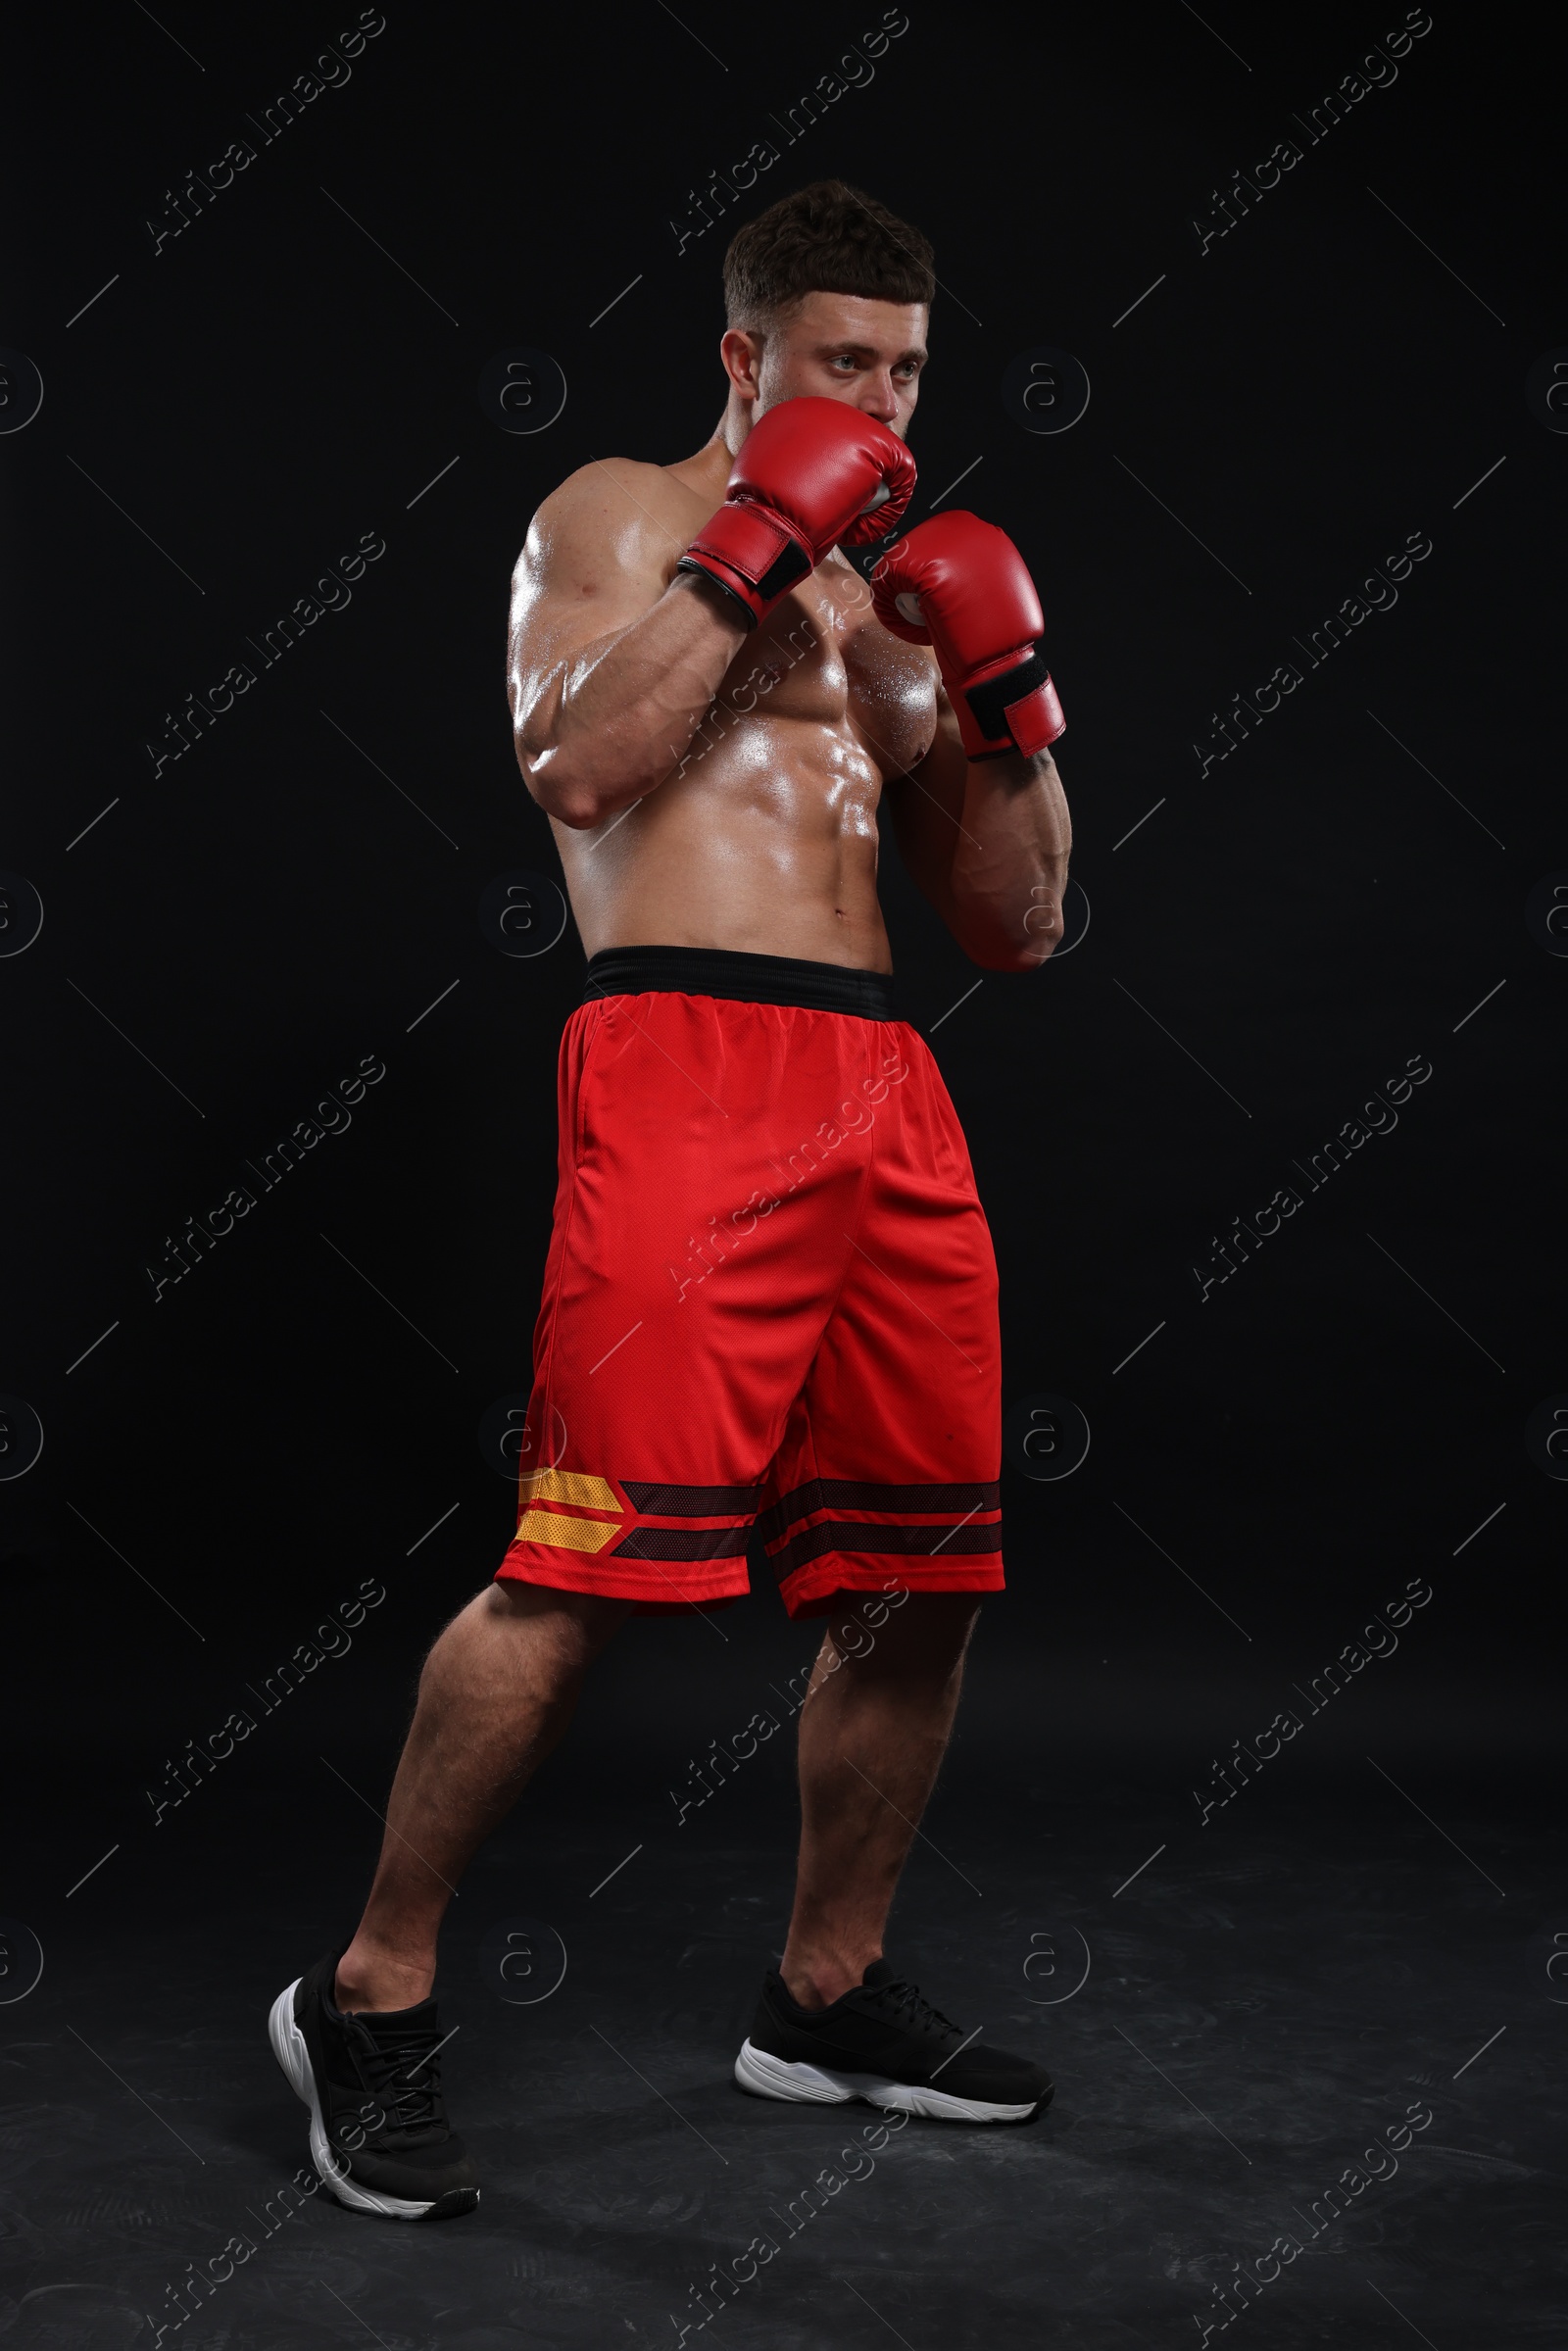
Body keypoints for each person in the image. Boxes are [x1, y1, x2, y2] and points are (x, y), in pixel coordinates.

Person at [270, 178, 1072, 2221]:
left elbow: (1017, 924)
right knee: (581, 1566)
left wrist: (1005, 693)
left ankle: (820, 1995)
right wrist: (753, 540)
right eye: (840, 367)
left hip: (881, 1087)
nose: (881, 405)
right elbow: (578, 764)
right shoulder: (614, 518)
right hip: (684, 1059)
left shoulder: (904, 601)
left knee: (922, 1580)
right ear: (744, 359)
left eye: (903, 373)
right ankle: (365, 1994)